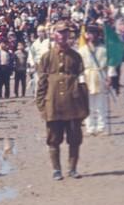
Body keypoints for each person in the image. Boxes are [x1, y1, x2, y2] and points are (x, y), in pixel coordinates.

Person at [36, 23, 90, 180]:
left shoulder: (76, 56)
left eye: (65, 33)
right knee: (53, 139)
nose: (62, 36)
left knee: (75, 139)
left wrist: (84, 106)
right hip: (53, 104)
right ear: (54, 35)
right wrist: (41, 105)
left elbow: (82, 82)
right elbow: (42, 83)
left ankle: (72, 169)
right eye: (59, 33)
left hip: (73, 104)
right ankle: (56, 170)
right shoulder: (47, 57)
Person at [79, 25, 110, 136]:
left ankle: (102, 127)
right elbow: (80, 68)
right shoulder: (82, 50)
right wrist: (81, 81)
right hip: (88, 78)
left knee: (101, 105)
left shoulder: (104, 49)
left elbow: (110, 65)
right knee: (89, 105)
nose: (91, 36)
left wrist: (109, 77)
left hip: (100, 76)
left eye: (94, 33)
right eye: (89, 33)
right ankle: (90, 127)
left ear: (98, 35)